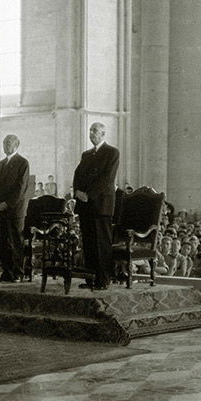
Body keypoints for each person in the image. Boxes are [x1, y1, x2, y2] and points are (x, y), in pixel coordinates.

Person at [73, 122, 119, 290]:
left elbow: (107, 179)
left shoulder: (112, 152)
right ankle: (90, 278)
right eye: (90, 130)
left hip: (101, 205)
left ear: (103, 134)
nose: (91, 133)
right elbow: (77, 174)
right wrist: (77, 191)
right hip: (85, 205)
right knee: (89, 243)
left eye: (95, 131)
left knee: (101, 244)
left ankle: (103, 280)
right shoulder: (86, 154)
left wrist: (88, 194)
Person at [0, 134, 29, 282]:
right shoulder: (1, 163)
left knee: (16, 242)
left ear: (17, 144)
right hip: (0, 210)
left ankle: (18, 273)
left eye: (9, 142)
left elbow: (21, 188)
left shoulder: (22, 163)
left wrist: (6, 203)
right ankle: (6, 272)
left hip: (14, 210)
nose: (6, 145)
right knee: (2, 242)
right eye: (4, 142)